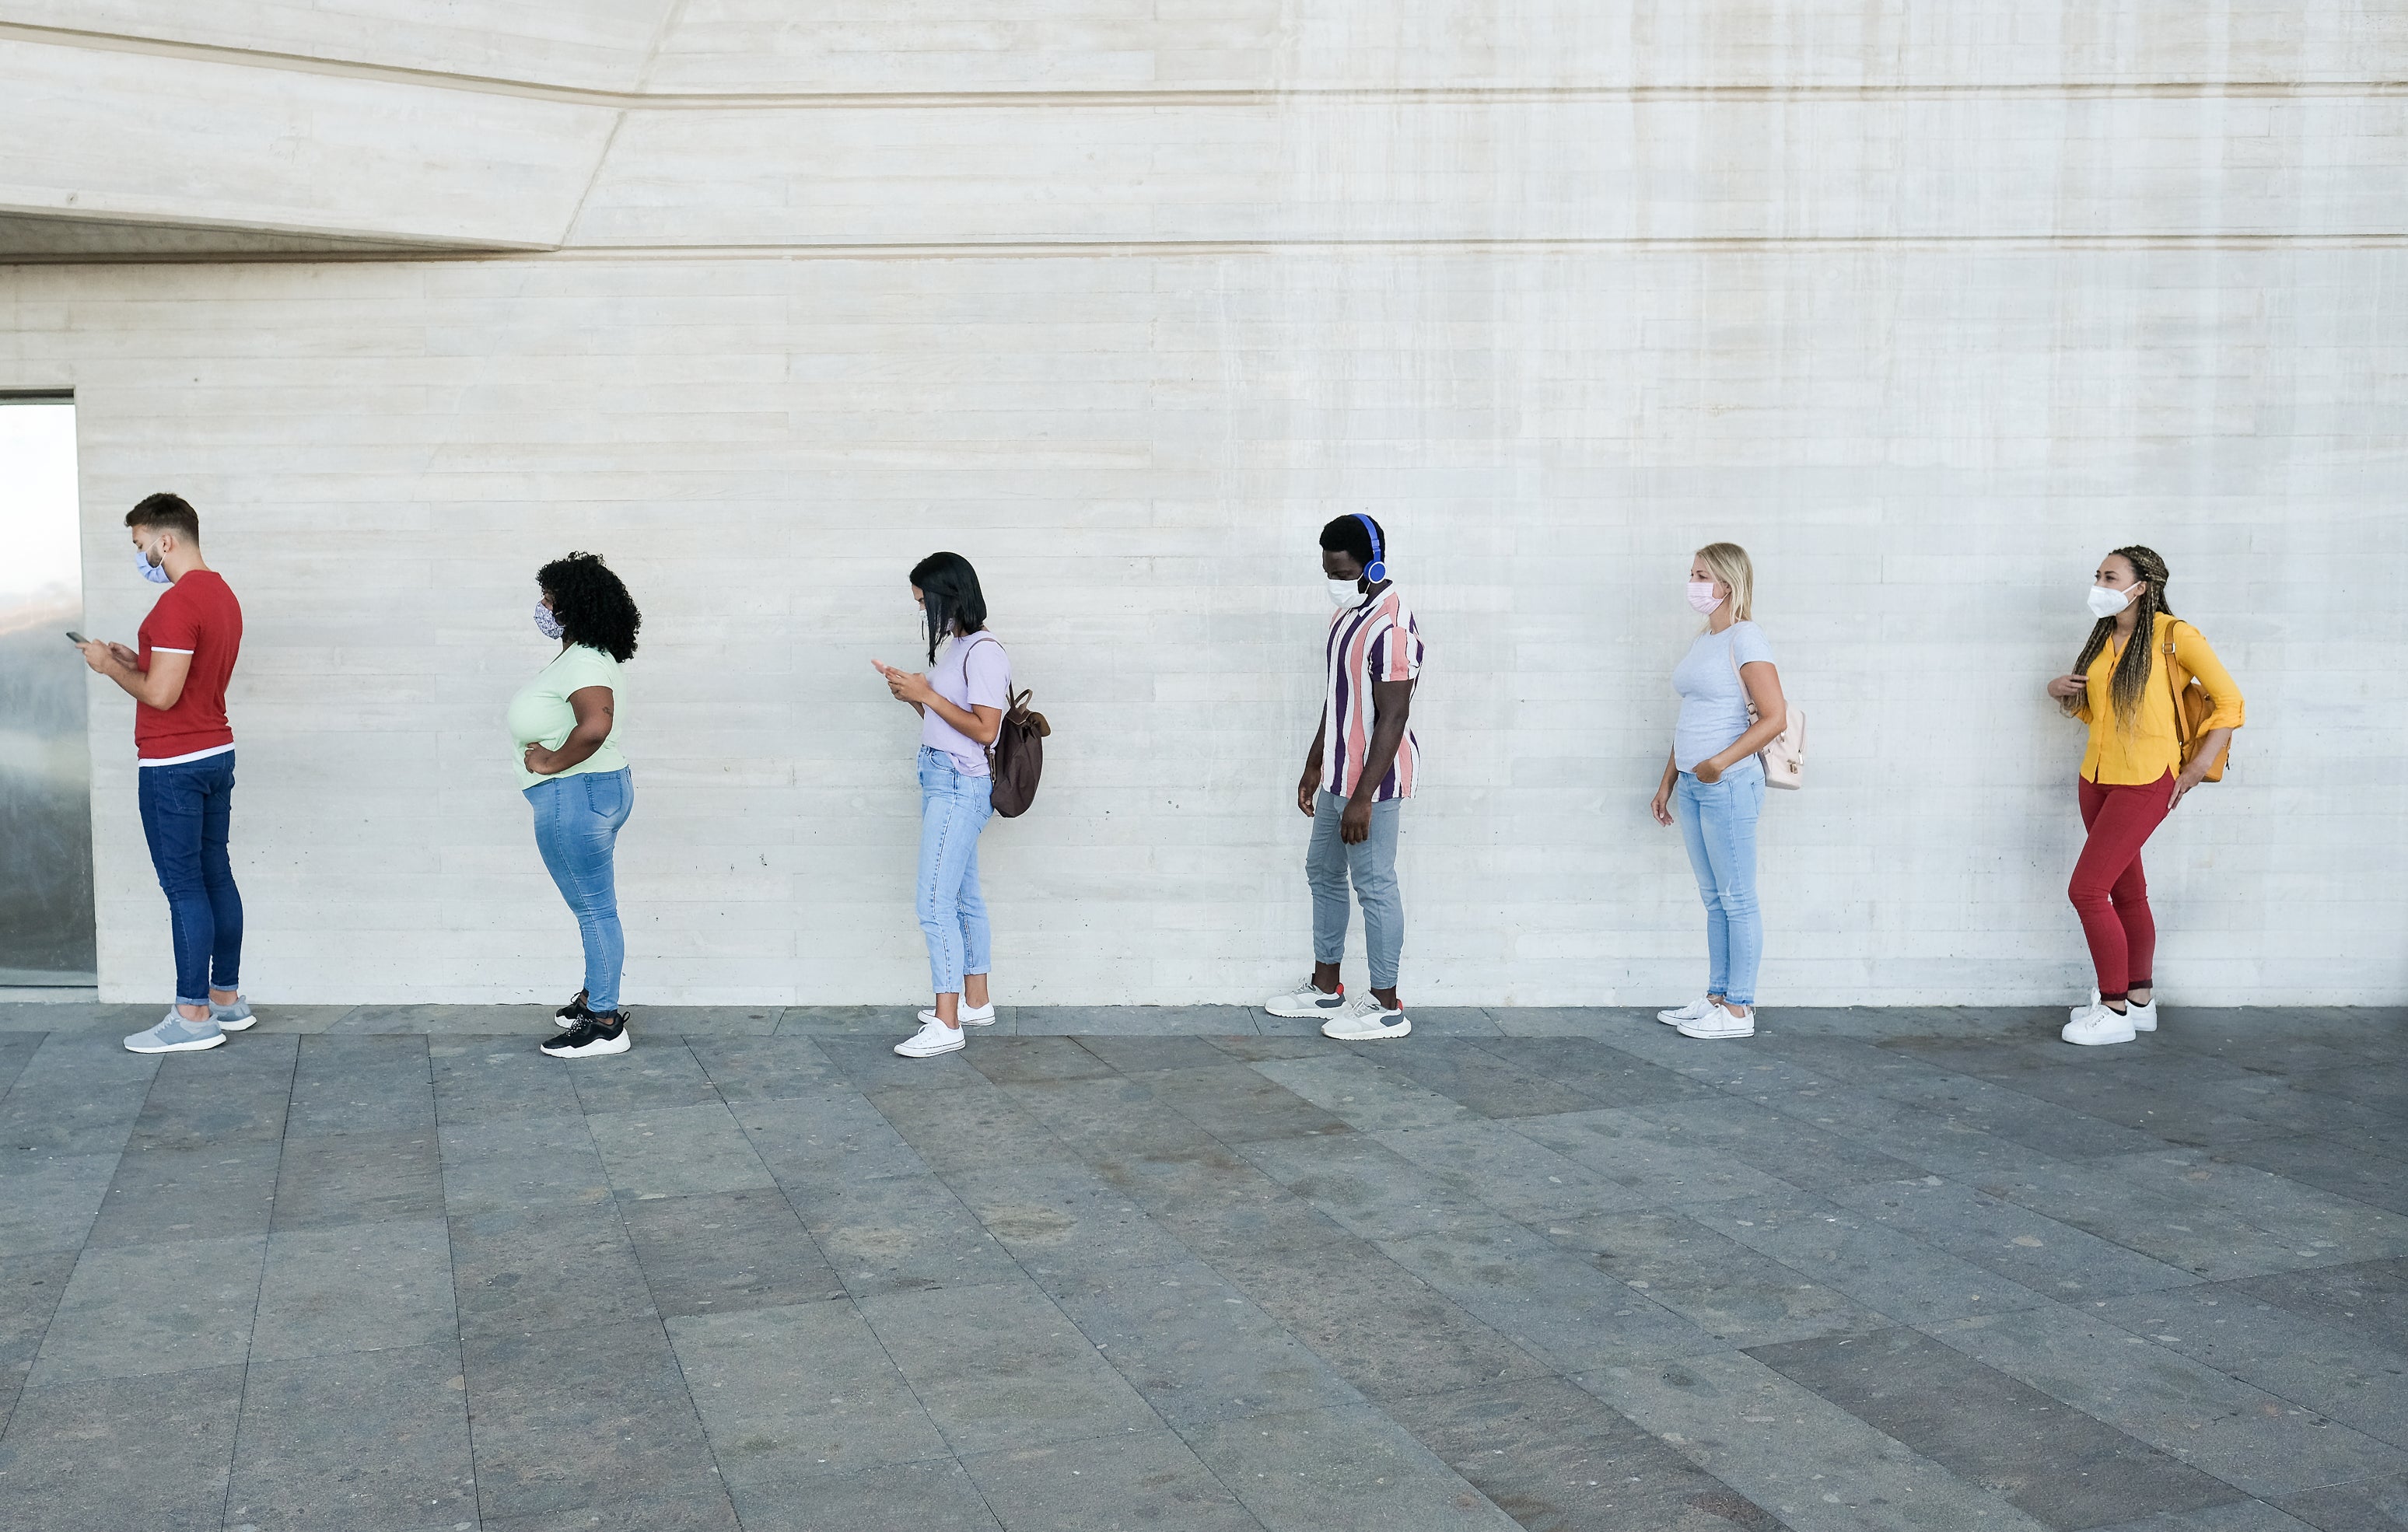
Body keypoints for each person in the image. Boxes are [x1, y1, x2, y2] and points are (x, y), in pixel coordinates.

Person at [77, 495, 254, 1054]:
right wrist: (137, 660)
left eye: (140, 545)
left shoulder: (177, 605)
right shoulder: (222, 595)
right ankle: (226, 1000)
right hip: (214, 752)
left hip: (172, 763)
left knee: (184, 888)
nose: (142, 556)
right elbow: (183, 677)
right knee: (215, 876)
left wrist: (109, 669)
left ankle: (192, 1015)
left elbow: (161, 695)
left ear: (165, 540)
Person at [2045, 547, 2242, 1046]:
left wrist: (2197, 767)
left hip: (2146, 780)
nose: (2100, 585)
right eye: (2098, 576)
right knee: (2126, 891)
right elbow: (2103, 716)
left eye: (2111, 577)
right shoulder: (2105, 639)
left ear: (2142, 585)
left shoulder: (2176, 637)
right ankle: (2139, 1002)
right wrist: (2061, 690)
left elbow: (2231, 701)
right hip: (2096, 777)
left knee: (2087, 891)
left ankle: (2112, 1010)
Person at [1264, 514, 1423, 1041]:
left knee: (1375, 886)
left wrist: (1362, 797)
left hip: (1371, 787)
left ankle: (1386, 1006)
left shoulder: (1392, 627)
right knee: (1323, 872)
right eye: (1328, 570)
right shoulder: (1347, 616)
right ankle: (1327, 988)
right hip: (1337, 774)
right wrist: (1315, 761)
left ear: (1372, 565)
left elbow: (1393, 717)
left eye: (1343, 570)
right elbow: (1341, 699)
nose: (1334, 580)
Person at [873, 552, 1007, 1059]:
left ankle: (948, 1023)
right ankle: (975, 1001)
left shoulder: (985, 651)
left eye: (924, 601)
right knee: (962, 896)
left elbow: (985, 730)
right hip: (942, 777)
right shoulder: (959, 647)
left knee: (933, 903)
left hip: (959, 785)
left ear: (949, 596)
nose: (923, 611)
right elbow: (949, 720)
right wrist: (913, 695)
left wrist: (927, 696)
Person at [1650, 543, 1787, 1041]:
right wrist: (1669, 779)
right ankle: (1717, 997)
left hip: (1727, 783)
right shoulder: (1705, 639)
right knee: (1714, 899)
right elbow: (1692, 718)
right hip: (1694, 783)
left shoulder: (1747, 637)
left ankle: (1739, 1010)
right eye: (1691, 573)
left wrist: (1718, 764)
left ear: (1727, 583)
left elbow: (1776, 717)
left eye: (1702, 574)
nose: (1693, 583)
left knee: (1737, 899)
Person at [511, 552, 641, 1059]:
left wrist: (550, 762)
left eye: (549, 599)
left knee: (594, 910)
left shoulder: (585, 660)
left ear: (574, 606)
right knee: (593, 907)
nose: (542, 607)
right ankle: (594, 997)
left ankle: (604, 1023)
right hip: (588, 792)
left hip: (577, 793)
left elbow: (596, 725)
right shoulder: (582, 655)